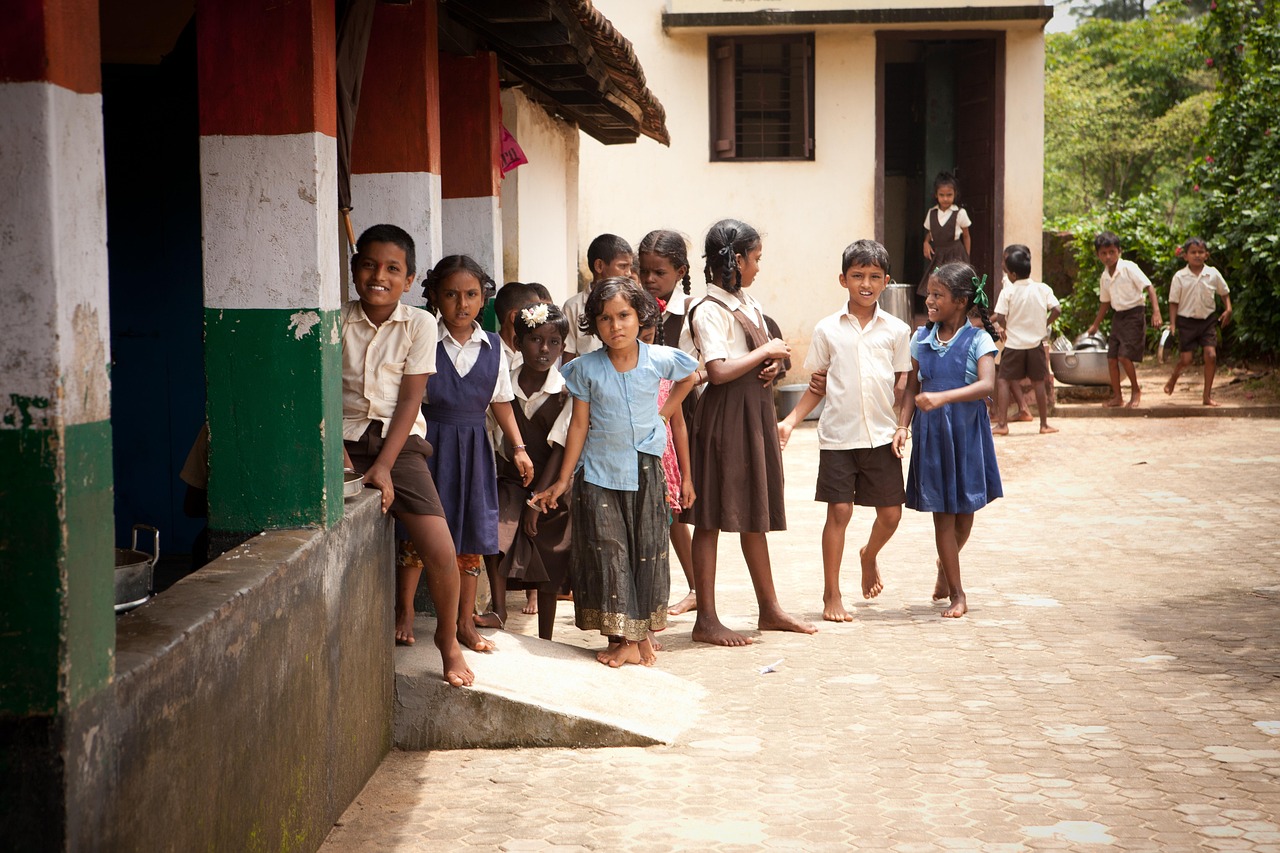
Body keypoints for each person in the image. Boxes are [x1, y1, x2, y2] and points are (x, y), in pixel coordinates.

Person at [531, 277, 697, 667]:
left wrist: (663, 414)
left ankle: (638, 638)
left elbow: (689, 376)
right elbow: (578, 426)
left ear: (640, 316)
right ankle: (623, 638)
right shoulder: (585, 368)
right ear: (594, 324)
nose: (615, 326)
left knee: (646, 552)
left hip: (645, 472)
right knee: (610, 555)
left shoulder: (659, 358)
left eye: (624, 315)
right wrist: (562, 479)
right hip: (599, 475)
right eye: (605, 318)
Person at [339, 224, 472, 686]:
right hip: (344, 439)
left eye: (393, 269)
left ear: (409, 280)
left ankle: (448, 641)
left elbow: (411, 401)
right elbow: (319, 395)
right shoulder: (335, 320)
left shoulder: (420, 323)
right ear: (354, 270)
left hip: (400, 444)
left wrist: (382, 466)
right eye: (369, 265)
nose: (380, 275)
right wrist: (341, 456)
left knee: (440, 548)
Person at [682, 219, 816, 646]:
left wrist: (774, 364)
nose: (758, 267)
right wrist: (767, 350)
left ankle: (769, 609)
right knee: (710, 519)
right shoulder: (708, 310)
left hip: (753, 414)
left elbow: (759, 357)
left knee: (752, 514)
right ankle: (706, 619)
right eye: (755, 259)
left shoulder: (747, 302)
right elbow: (718, 371)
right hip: (725, 419)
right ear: (736, 260)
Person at [777, 240, 912, 622]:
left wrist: (903, 426)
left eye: (873, 277)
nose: (865, 284)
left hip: (882, 436)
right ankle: (831, 593)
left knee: (890, 515)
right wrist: (790, 421)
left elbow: (902, 386)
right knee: (839, 511)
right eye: (857, 276)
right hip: (838, 437)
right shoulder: (826, 330)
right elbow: (816, 385)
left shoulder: (897, 331)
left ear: (886, 281)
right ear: (843, 279)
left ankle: (869, 555)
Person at [419, 254, 534, 651]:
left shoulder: (493, 348)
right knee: (419, 534)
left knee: (470, 532)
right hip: (430, 446)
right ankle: (404, 614)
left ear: (483, 299)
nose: (462, 304)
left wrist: (518, 447)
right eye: (451, 294)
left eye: (471, 295)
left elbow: (501, 401)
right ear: (434, 295)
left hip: (473, 449)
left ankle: (464, 623)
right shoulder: (422, 337)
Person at [897, 261, 1002, 619]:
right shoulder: (920, 339)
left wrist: (942, 397)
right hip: (932, 438)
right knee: (942, 515)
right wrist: (902, 427)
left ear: (960, 301)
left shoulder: (978, 339)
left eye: (937, 295)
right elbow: (912, 389)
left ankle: (945, 564)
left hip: (967, 435)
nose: (929, 300)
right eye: (929, 293)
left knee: (965, 515)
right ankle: (958, 593)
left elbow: (987, 385)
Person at [492, 302, 574, 639]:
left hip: (551, 484)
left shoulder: (566, 391)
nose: (544, 350)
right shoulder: (502, 386)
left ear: (563, 346)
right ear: (517, 341)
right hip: (509, 477)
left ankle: (546, 635)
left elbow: (561, 446)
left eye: (553, 343)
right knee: (496, 536)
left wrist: (538, 500)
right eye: (535, 340)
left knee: (551, 554)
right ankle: (498, 609)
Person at [637, 229, 700, 615]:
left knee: (683, 507)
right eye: (644, 271)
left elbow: (707, 362)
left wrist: (682, 378)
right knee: (668, 511)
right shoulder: (636, 307)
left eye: (658, 272)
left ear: (680, 271)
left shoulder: (694, 310)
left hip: (685, 411)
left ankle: (698, 589)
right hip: (649, 414)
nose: (649, 279)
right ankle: (688, 588)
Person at [639, 303, 697, 583]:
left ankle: (694, 588)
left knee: (669, 526)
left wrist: (686, 477)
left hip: (664, 464)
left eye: (647, 338)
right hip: (630, 464)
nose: (640, 346)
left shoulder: (665, 372)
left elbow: (679, 425)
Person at [1085, 231, 1163, 408]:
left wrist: (1156, 312)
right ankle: (1117, 396)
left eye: (1111, 252)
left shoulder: (1129, 267)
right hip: (1118, 317)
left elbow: (1149, 287)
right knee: (1111, 358)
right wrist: (1095, 325)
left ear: (1119, 251)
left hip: (1135, 314)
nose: (1108, 257)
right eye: (1103, 253)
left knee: (1124, 357)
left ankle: (1136, 390)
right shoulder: (1104, 277)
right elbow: (1105, 302)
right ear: (1098, 255)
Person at [991, 244, 1060, 435]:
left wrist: (1005, 326)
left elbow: (1001, 316)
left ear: (1012, 274)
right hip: (1036, 344)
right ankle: (1044, 425)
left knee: (1004, 380)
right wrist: (1044, 323)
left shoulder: (1008, 292)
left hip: (1013, 345)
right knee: (1039, 382)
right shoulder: (1042, 288)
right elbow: (1057, 309)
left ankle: (1003, 424)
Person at [1165, 237, 1232, 407]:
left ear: (1206, 255)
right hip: (1186, 322)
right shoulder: (1179, 277)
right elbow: (1173, 302)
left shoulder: (1213, 274)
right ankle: (1174, 377)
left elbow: (1224, 292)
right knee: (1186, 359)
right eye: (1193, 252)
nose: (1197, 255)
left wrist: (1228, 309)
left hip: (1207, 321)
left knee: (1211, 355)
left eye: (1200, 252)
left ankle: (1207, 396)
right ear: (1185, 256)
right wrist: (1172, 324)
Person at [562, 234, 635, 362]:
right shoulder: (573, 306)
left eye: (630, 267)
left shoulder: (632, 302)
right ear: (599, 266)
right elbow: (568, 354)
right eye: (623, 266)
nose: (628, 273)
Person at [918, 172, 972, 296]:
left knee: (956, 286)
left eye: (949, 195)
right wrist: (926, 242)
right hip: (939, 255)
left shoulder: (960, 213)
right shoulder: (932, 213)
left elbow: (966, 236)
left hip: (956, 254)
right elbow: (930, 233)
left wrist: (966, 257)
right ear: (936, 195)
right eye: (942, 195)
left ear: (955, 195)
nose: (945, 198)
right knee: (936, 284)